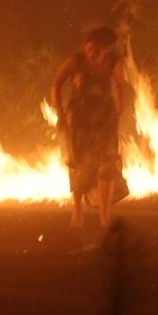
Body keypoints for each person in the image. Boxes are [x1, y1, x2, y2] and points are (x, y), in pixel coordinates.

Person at [50, 26, 129, 231]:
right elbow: (56, 85)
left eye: (99, 48)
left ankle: (104, 216)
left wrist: (118, 113)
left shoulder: (112, 62)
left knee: (107, 165)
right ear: (86, 45)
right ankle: (78, 210)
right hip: (79, 123)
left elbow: (119, 87)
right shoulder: (75, 61)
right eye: (91, 47)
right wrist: (61, 113)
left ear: (106, 49)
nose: (93, 52)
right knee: (81, 166)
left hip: (104, 122)